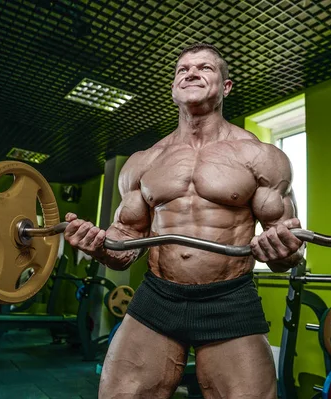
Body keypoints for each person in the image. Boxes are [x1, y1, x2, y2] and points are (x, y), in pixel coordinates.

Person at [64, 43, 305, 398]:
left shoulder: (261, 157)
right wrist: (99, 246)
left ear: (225, 87)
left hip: (229, 299)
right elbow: (124, 244)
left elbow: (288, 252)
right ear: (175, 88)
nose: (191, 73)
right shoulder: (144, 162)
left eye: (205, 68)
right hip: (157, 297)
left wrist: (281, 251)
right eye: (182, 70)